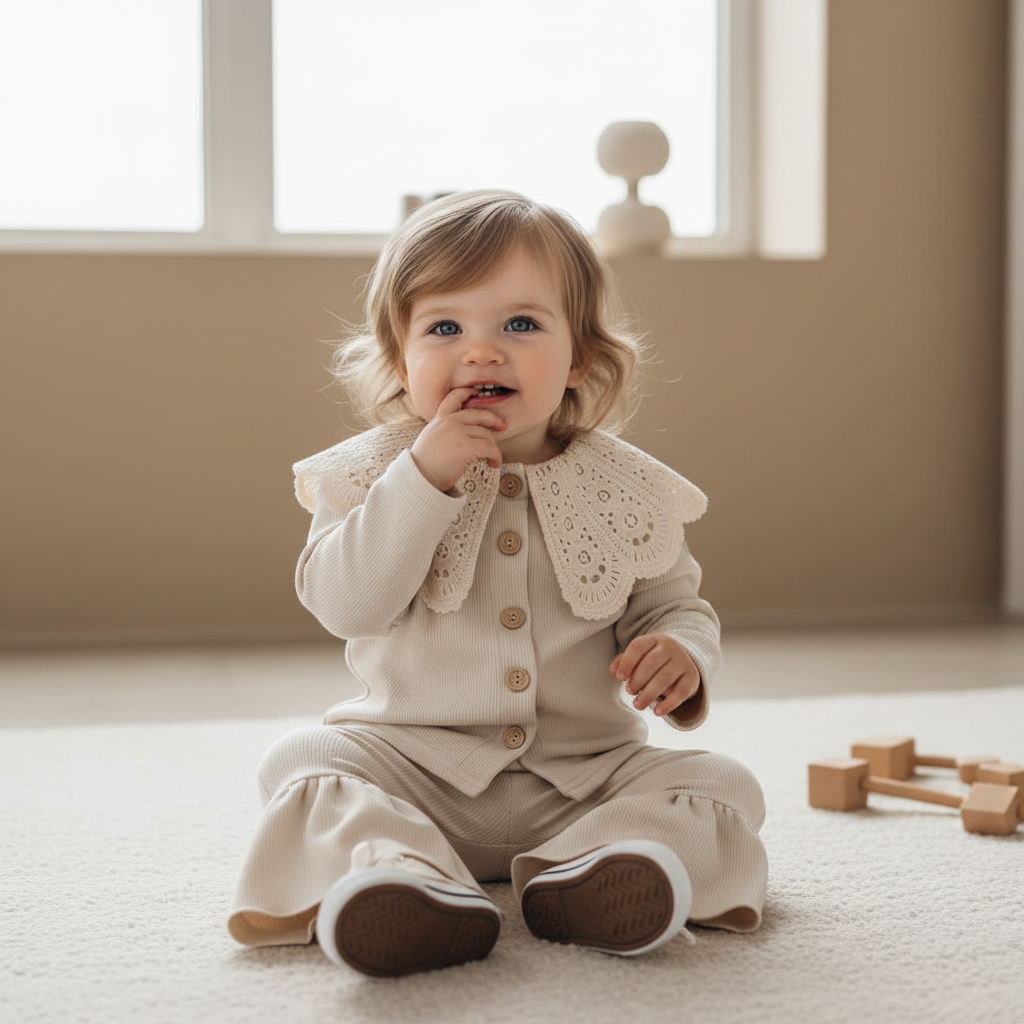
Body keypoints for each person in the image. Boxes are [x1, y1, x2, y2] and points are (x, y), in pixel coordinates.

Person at [228, 190, 768, 977]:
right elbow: (348, 604)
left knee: (723, 782)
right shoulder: (369, 474)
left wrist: (679, 654)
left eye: (520, 324)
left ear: (580, 355)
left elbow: (676, 603)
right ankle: (408, 879)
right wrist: (423, 480)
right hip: (414, 771)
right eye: (445, 328)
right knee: (304, 759)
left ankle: (593, 872)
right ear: (400, 358)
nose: (481, 352)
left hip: (584, 781)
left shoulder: (628, 489)